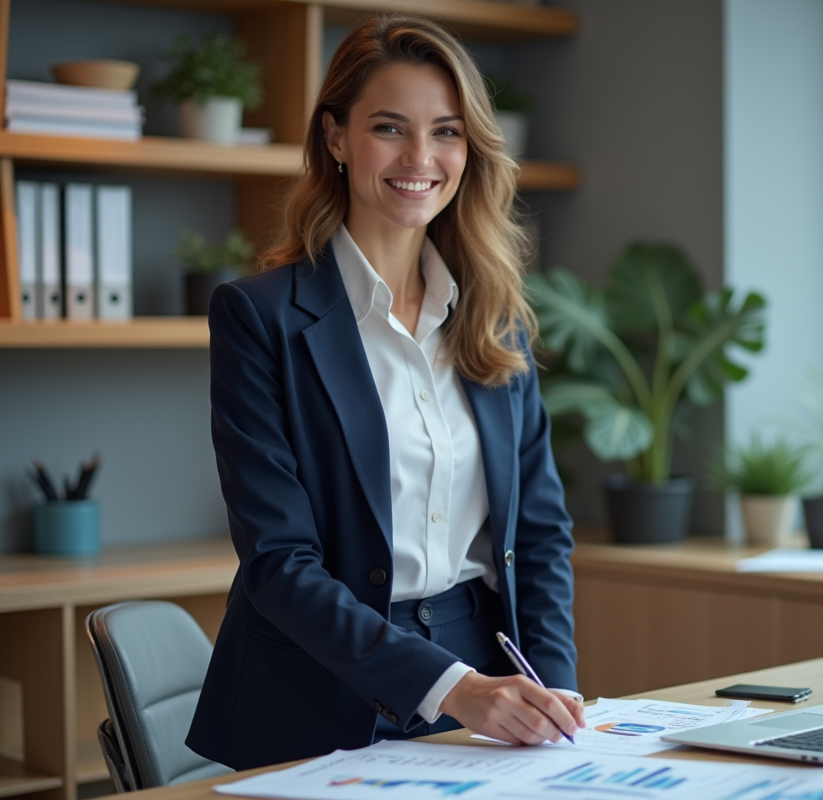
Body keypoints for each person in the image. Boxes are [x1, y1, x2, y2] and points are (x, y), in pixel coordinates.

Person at [185, 14, 584, 771]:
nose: (420, 158)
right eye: (389, 128)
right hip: (315, 689)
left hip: (488, 678)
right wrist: (452, 688)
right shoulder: (260, 316)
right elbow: (278, 562)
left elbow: (539, 536)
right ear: (335, 137)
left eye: (446, 132)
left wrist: (551, 697)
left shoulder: (494, 321)